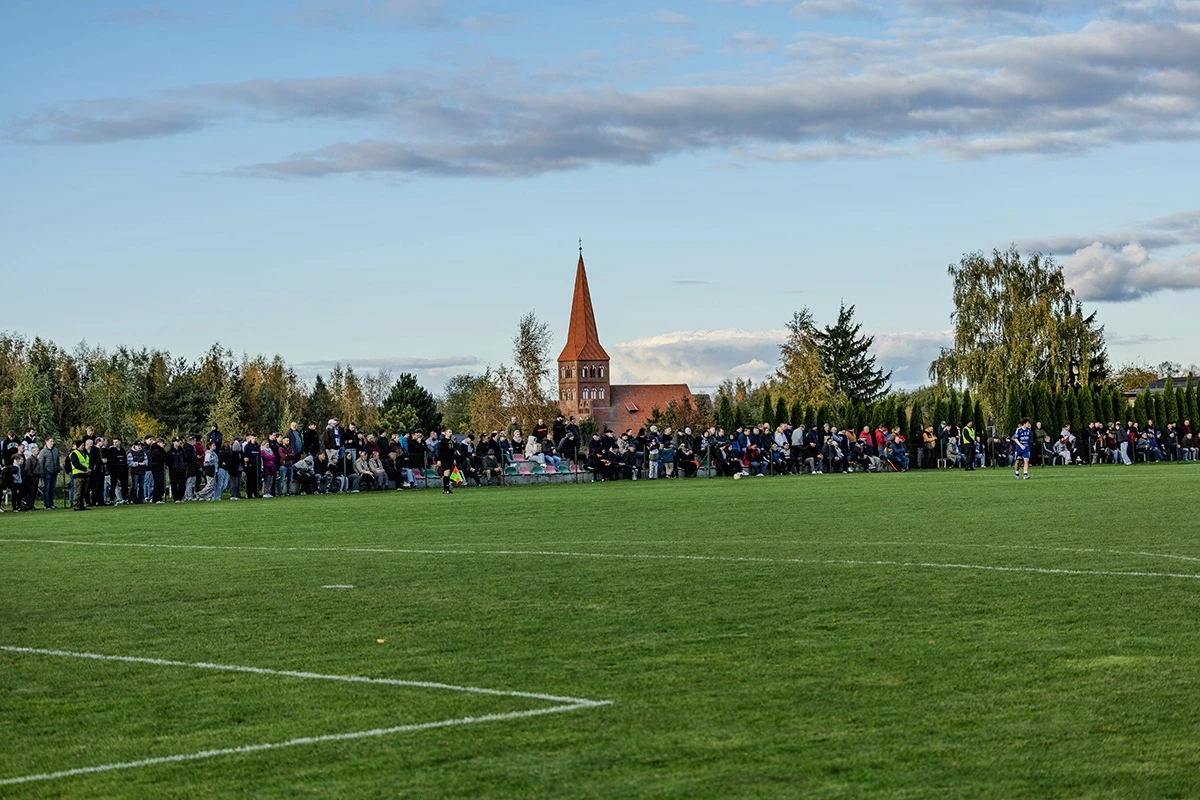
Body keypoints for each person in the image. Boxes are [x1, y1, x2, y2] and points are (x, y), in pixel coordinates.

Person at [39, 437, 61, 509]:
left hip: (54, 472)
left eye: (53, 441)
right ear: (46, 442)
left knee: (52, 489)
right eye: (51, 441)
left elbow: (57, 460)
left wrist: (58, 468)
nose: (52, 443)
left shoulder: (55, 450)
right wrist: (42, 473)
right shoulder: (43, 452)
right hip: (47, 473)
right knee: (47, 489)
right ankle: (47, 504)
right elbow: (41, 463)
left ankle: (51, 503)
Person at [69, 439, 90, 511]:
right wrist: (86, 469)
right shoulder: (74, 454)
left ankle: (81, 505)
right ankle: (76, 505)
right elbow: (76, 464)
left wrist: (89, 469)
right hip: (78, 475)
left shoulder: (85, 453)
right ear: (78, 446)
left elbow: (88, 462)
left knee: (83, 492)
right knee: (78, 491)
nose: (83, 446)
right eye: (82, 445)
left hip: (85, 475)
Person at [437, 429, 456, 495]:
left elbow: (452, 451)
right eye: (449, 432)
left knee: (448, 473)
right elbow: (439, 451)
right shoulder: (442, 441)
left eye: (451, 432)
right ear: (445, 433)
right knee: (446, 473)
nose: (451, 433)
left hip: (450, 459)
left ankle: (446, 488)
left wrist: (454, 459)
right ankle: (446, 489)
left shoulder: (451, 441)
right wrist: (439, 460)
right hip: (444, 459)